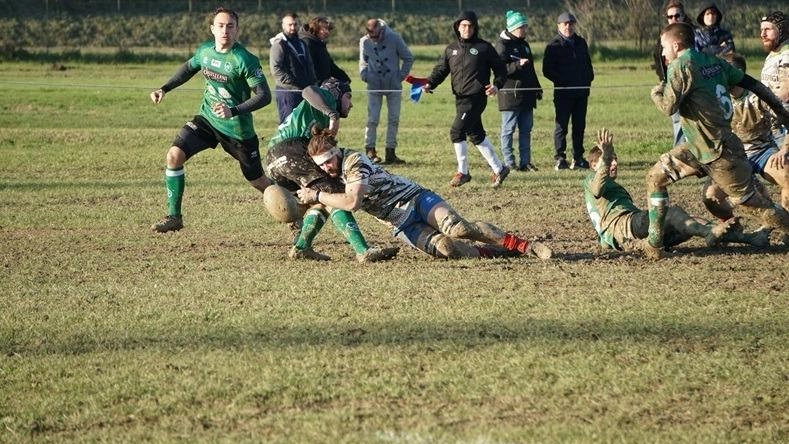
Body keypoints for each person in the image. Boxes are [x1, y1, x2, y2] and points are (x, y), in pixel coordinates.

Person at [645, 22, 789, 258]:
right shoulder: (714, 61)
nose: (662, 53)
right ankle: (654, 244)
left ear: (676, 44)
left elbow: (668, 107)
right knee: (655, 177)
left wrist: (656, 93)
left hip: (721, 152)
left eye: (663, 47)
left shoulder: (681, 65)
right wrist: (780, 110)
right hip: (696, 147)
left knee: (756, 208)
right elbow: (753, 84)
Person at [297, 130, 553, 260]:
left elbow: (352, 202)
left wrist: (316, 196)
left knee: (457, 228)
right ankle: (498, 252)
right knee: (447, 248)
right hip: (400, 223)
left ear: (336, 151)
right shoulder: (327, 179)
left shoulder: (353, 161)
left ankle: (525, 246)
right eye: (322, 164)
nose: (328, 166)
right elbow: (328, 202)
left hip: (415, 198)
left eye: (330, 159)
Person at [149, 7, 272, 233]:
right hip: (207, 119)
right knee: (174, 155)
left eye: (230, 26)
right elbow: (188, 68)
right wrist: (164, 88)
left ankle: (295, 212)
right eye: (221, 26)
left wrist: (233, 111)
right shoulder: (205, 51)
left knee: (259, 181)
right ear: (212, 29)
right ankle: (174, 216)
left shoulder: (245, 59)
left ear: (237, 30)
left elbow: (265, 96)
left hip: (238, 131)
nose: (225, 30)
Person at [265, 78, 397, 263]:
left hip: (274, 159)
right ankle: (363, 251)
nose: (351, 104)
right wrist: (333, 114)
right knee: (334, 192)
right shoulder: (327, 96)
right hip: (290, 150)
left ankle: (302, 247)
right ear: (337, 92)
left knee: (319, 196)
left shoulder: (318, 112)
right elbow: (309, 90)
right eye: (348, 97)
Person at [583, 128, 768, 252]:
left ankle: (749, 238)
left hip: (628, 233)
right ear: (593, 165)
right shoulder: (591, 178)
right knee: (673, 213)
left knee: (689, 223)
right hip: (623, 227)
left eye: (614, 158)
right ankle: (709, 233)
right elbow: (597, 189)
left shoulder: (609, 183)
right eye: (609, 159)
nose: (614, 163)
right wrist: (605, 159)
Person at [423, 10, 510, 188]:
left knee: (457, 132)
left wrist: (496, 85)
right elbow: (441, 70)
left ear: (475, 27)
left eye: (470, 26)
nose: (467, 29)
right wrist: (430, 84)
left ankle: (463, 172)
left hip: (476, 98)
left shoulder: (485, 48)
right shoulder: (451, 49)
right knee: (476, 134)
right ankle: (499, 168)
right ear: (457, 27)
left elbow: (501, 69)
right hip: (460, 99)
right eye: (463, 25)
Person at [702, 53, 789, 227]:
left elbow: (786, 119)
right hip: (732, 157)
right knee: (710, 196)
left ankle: (786, 223)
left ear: (736, 73)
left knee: (787, 174)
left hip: (762, 151)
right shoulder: (716, 98)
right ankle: (733, 225)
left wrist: (784, 149)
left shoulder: (759, 96)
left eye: (723, 71)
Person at [543, 12, 594, 171]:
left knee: (579, 126)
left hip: (581, 92)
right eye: (565, 24)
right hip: (563, 93)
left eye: (571, 23)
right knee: (561, 126)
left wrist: (588, 80)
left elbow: (587, 64)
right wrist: (562, 81)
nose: (568, 26)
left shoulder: (580, 42)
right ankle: (560, 157)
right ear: (558, 26)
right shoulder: (553, 45)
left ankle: (578, 158)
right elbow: (547, 70)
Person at [359, 18, 414, 165]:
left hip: (393, 85)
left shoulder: (395, 38)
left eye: (376, 36)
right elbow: (363, 61)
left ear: (381, 30)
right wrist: (365, 76)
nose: (373, 39)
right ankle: (370, 151)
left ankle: (391, 152)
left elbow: (408, 58)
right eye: (371, 36)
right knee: (373, 119)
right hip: (374, 85)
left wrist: (400, 76)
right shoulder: (364, 41)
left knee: (394, 119)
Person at [494, 10, 542, 172]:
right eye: (522, 27)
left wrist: (537, 87)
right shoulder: (502, 45)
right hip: (510, 95)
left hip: (527, 94)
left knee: (526, 130)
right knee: (508, 130)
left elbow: (532, 70)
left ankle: (525, 163)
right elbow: (500, 70)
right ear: (513, 28)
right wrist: (517, 65)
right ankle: (509, 162)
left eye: (525, 26)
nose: (525, 30)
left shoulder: (524, 44)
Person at [652, 0, 695, 147]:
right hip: (673, 84)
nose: (674, 19)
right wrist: (663, 80)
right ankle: (680, 152)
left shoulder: (693, 35)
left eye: (677, 15)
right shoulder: (664, 37)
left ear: (683, 16)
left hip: (695, 86)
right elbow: (658, 59)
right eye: (670, 17)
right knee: (677, 120)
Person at [270, 12, 316, 123]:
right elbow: (275, 69)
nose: (293, 27)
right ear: (283, 26)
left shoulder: (302, 43)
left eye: (295, 24)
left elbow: (309, 65)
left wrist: (313, 82)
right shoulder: (279, 44)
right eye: (289, 25)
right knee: (288, 125)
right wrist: (293, 83)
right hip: (287, 92)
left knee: (304, 124)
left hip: (306, 91)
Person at [760, 11, 789, 141]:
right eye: (761, 30)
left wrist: (755, 105)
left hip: (785, 127)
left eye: (768, 29)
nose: (762, 34)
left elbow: (785, 94)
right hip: (773, 125)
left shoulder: (786, 56)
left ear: (781, 31)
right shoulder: (773, 54)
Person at [300, 16, 351, 86]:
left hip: (323, 86)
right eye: (325, 29)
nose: (327, 32)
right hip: (313, 88)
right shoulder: (307, 43)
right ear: (316, 28)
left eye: (328, 29)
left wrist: (344, 79)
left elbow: (330, 65)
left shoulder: (320, 44)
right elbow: (309, 68)